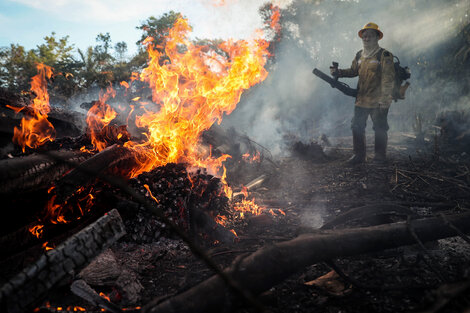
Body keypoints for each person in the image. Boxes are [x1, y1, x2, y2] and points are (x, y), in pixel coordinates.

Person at [331, 22, 395, 164]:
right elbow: (353, 71)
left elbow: (388, 79)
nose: (366, 39)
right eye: (364, 36)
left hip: (378, 100)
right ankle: (359, 156)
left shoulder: (384, 55)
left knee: (380, 127)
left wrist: (385, 98)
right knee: (357, 126)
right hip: (361, 99)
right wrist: (339, 72)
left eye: (370, 36)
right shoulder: (360, 55)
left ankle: (380, 156)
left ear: (377, 37)